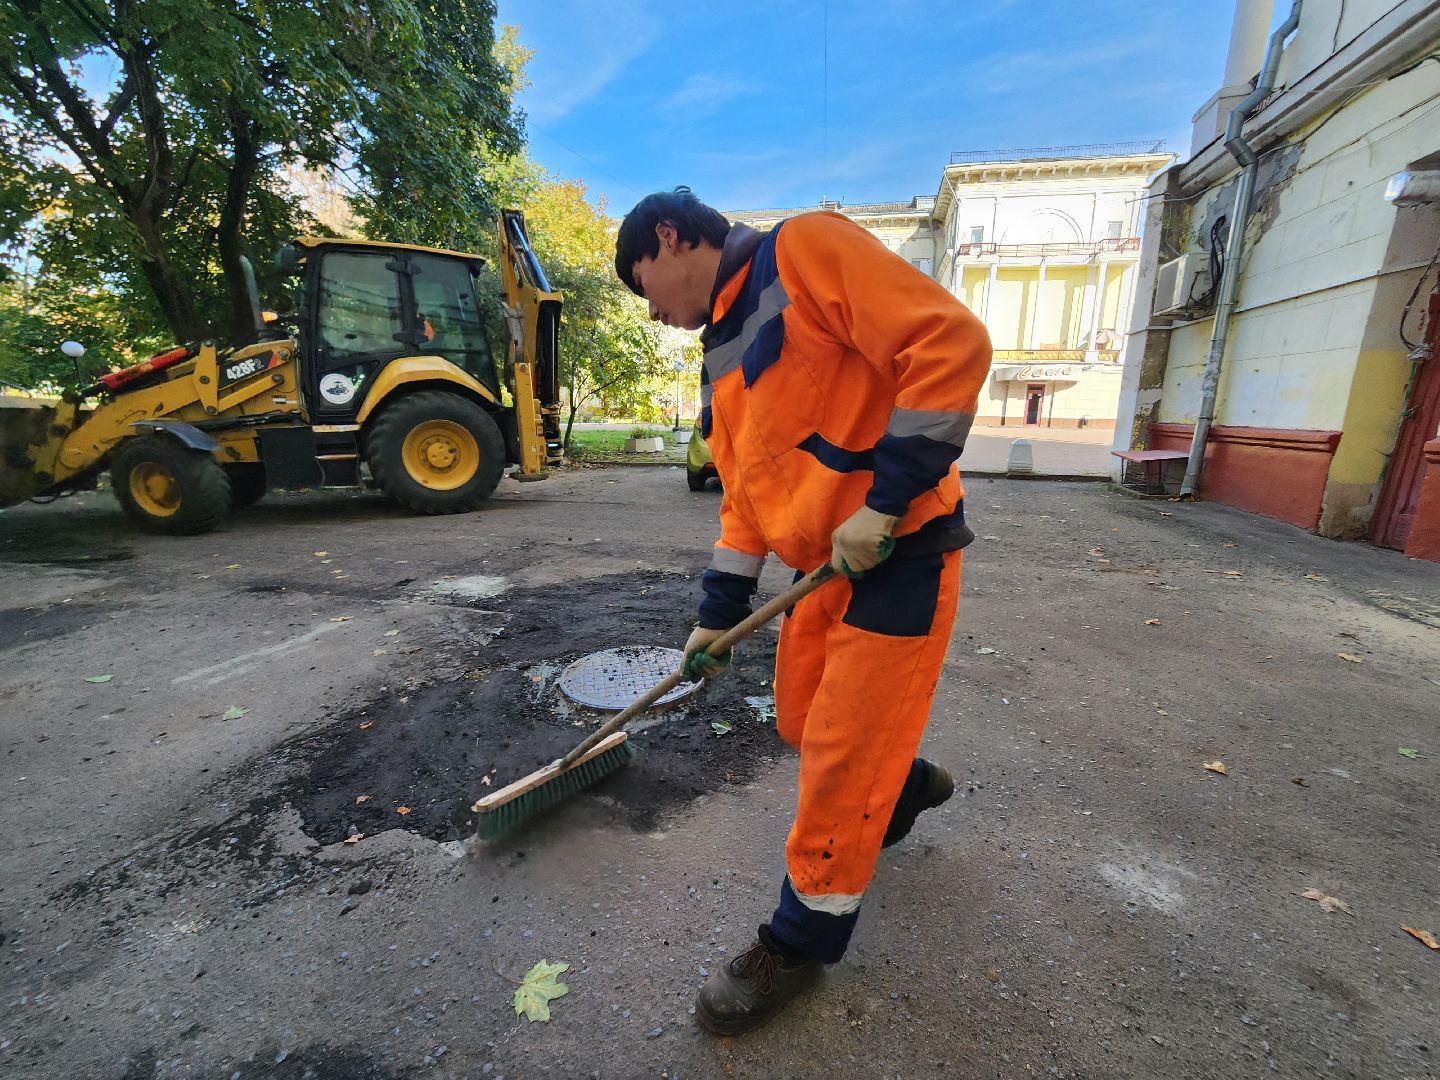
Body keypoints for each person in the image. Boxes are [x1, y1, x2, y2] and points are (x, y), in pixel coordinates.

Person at [614, 186, 991, 1034]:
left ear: (670, 238)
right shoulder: (720, 359)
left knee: (839, 765)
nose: (654, 313)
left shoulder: (806, 252)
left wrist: (886, 503)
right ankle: (903, 787)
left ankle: (796, 942)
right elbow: (744, 503)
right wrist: (718, 611)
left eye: (645, 287)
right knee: (799, 721)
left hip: (899, 557)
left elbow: (950, 343)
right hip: (821, 574)